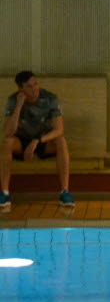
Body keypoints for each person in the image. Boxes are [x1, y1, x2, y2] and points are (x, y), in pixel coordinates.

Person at [1, 71, 74, 211]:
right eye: (29, 86)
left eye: (35, 84)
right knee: (7, 143)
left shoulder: (49, 98)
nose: (34, 89)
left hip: (42, 140)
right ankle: (4, 193)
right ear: (20, 89)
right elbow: (8, 132)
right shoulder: (13, 100)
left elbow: (59, 129)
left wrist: (36, 141)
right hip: (21, 142)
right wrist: (18, 106)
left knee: (61, 141)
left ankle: (65, 192)